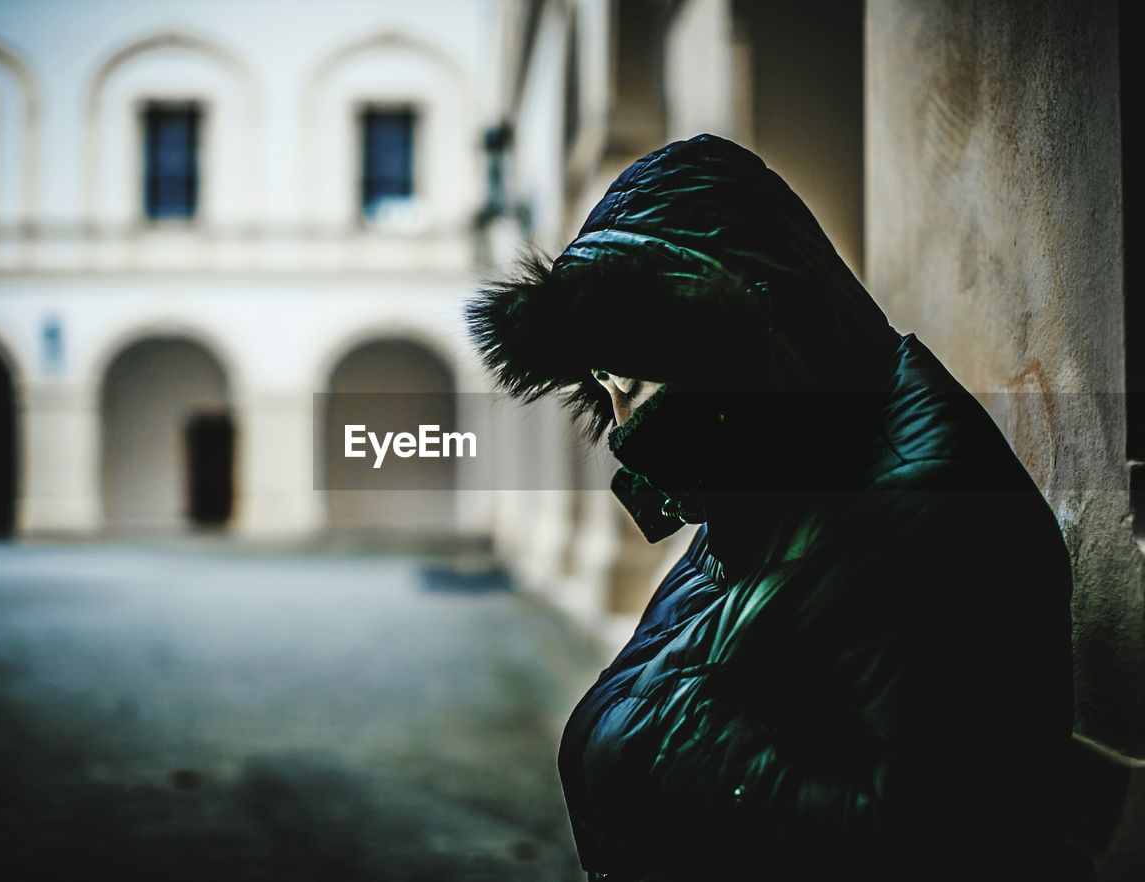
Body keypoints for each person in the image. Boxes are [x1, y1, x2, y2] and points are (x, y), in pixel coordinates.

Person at [464, 134, 1119, 880]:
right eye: (600, 379)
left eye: (629, 368)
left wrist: (669, 733)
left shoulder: (923, 511)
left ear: (725, 339)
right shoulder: (767, 484)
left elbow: (944, 837)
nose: (617, 414)